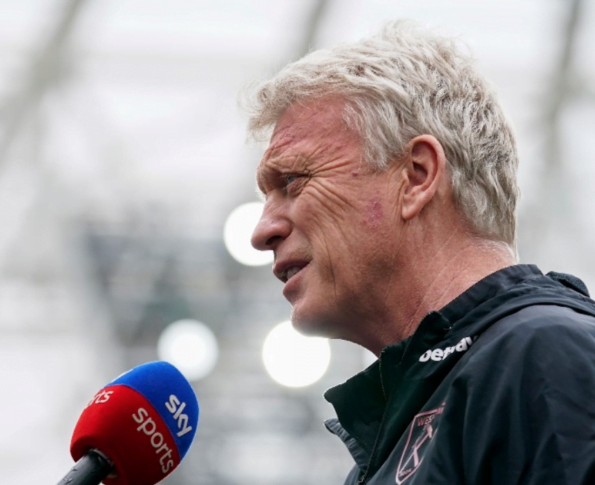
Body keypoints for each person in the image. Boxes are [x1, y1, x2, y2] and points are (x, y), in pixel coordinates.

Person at [245, 21, 595, 485]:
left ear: (416, 176)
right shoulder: (408, 429)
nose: (262, 231)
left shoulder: (545, 358)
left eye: (292, 181)